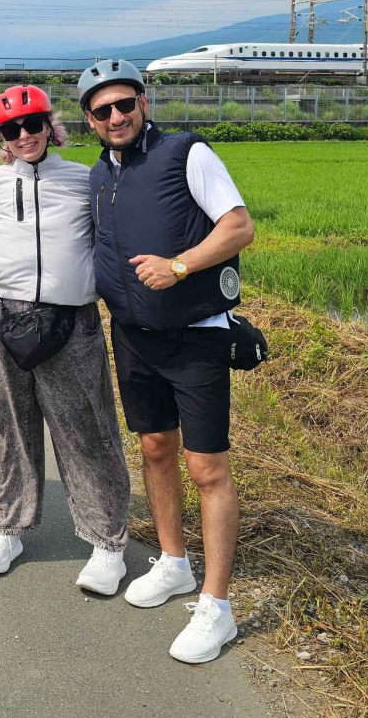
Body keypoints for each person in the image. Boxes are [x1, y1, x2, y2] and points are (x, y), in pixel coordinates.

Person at [79, 59, 255, 664]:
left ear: (143, 103)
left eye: (125, 104)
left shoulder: (187, 153)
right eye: (102, 111)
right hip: (132, 334)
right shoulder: (100, 174)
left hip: (194, 335)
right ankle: (175, 562)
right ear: (89, 120)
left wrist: (179, 265)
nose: (116, 117)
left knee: (207, 468)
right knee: (154, 448)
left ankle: (217, 608)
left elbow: (238, 226)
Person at [0, 84, 132, 593]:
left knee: (87, 427)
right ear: (2, 138)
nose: (23, 135)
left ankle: (107, 542)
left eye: (32, 124)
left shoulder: (83, 180)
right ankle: (6, 528)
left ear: (50, 127)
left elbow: (113, 240)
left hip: (68, 321)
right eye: (11, 130)